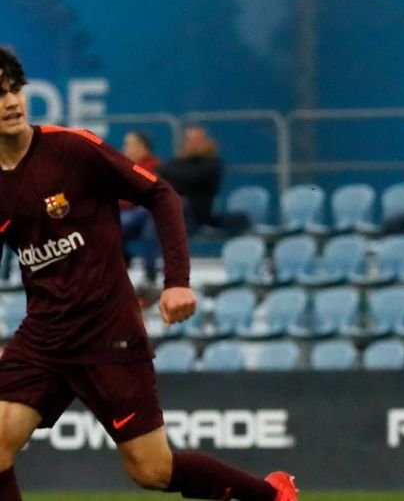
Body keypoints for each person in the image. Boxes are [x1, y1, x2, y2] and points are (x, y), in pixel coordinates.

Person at [0, 46, 297, 501]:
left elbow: (161, 194)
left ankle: (270, 496)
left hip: (106, 331)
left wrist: (177, 282)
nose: (11, 102)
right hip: (43, 335)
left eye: (15, 89)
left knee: (152, 470)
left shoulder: (71, 148)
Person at [157, 124, 223, 233]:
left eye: (196, 140)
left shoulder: (212, 163)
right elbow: (160, 172)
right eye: (189, 139)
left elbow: (192, 177)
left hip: (196, 215)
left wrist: (173, 178)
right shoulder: (177, 162)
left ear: (205, 141)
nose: (192, 143)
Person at [119, 131, 162, 286]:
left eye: (129, 145)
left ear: (143, 147)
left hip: (142, 212)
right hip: (122, 212)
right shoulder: (120, 166)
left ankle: (149, 271)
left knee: (150, 221)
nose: (124, 149)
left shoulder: (156, 167)